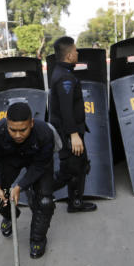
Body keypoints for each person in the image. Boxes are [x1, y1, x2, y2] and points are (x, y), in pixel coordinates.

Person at [0, 102, 57, 258]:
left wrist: (20, 186)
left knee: (45, 202)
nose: (18, 135)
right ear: (7, 124)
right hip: (11, 160)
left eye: (23, 130)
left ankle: (38, 238)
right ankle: (10, 215)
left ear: (31, 123)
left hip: (37, 161)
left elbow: (40, 166)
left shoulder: (44, 133)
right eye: (13, 130)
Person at [48, 36, 96, 213]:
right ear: (69, 56)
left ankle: (75, 202)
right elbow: (66, 109)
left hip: (73, 130)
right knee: (69, 169)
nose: (77, 53)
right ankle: (38, 192)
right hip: (68, 132)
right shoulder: (64, 78)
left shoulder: (64, 73)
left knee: (80, 166)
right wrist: (73, 135)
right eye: (75, 51)